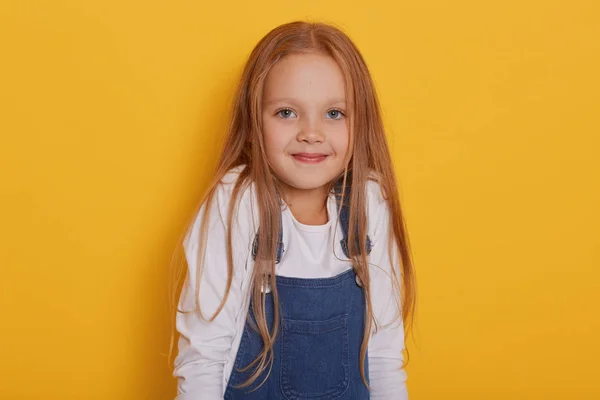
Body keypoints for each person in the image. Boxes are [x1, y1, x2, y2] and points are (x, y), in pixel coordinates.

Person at [169, 20, 416, 400]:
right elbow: (203, 358)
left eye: (334, 113)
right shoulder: (237, 203)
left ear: (360, 122)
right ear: (253, 124)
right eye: (286, 113)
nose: (311, 132)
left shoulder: (369, 202)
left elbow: (383, 356)